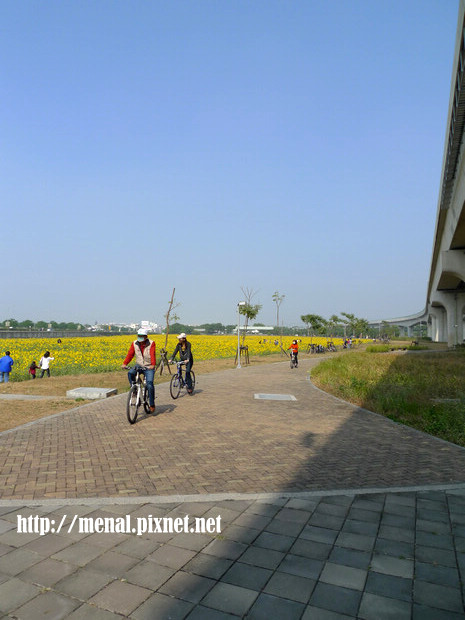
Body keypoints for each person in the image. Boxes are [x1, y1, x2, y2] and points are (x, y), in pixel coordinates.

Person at [122, 328, 156, 412]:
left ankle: (151, 403)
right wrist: (125, 363)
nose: (140, 337)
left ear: (146, 336)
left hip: (148, 366)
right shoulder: (134, 343)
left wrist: (152, 364)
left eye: (142, 336)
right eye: (139, 336)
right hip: (139, 365)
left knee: (150, 384)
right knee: (130, 373)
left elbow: (152, 354)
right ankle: (134, 390)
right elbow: (130, 354)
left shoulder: (151, 343)